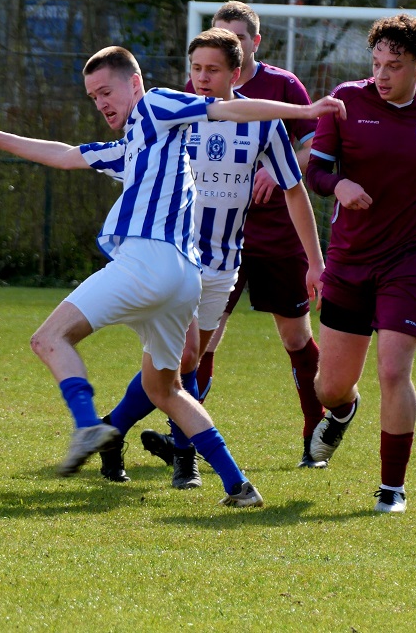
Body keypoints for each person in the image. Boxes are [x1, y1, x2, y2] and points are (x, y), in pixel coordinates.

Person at [0, 43, 345, 508]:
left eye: (106, 91)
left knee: (48, 339)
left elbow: (229, 108)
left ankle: (87, 425)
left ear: (134, 83)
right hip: (185, 276)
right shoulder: (134, 147)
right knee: (167, 387)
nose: (100, 103)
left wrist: (306, 109)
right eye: (92, 97)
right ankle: (238, 485)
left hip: (148, 263)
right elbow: (65, 154)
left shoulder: (157, 104)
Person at [97, 27, 326, 489]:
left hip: (224, 262)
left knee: (184, 363)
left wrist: (315, 261)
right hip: (173, 256)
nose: (201, 77)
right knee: (181, 359)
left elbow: (295, 192)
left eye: (212, 69)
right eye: (196, 68)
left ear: (235, 73)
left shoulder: (262, 122)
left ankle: (111, 430)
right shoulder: (174, 114)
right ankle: (186, 459)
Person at [304, 13, 416, 513]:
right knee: (330, 387)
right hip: (352, 259)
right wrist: (340, 185)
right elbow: (317, 170)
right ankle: (342, 411)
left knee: (394, 370)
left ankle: (391, 489)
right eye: (376, 62)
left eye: (394, 65)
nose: (381, 73)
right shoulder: (347, 101)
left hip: (412, 256)